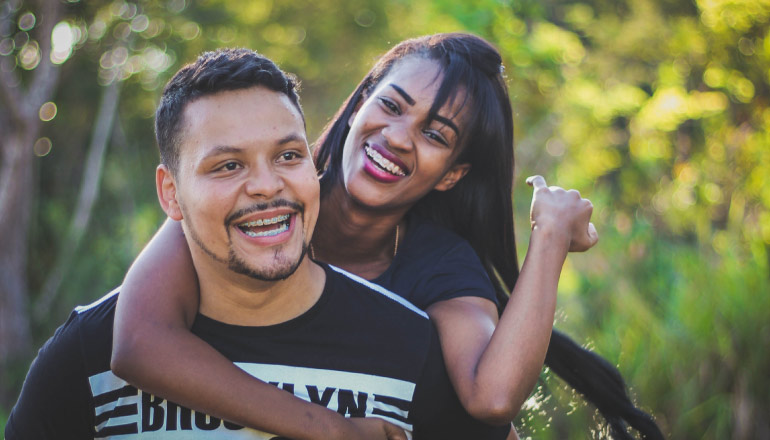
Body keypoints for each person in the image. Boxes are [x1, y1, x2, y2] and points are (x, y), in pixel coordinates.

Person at [112, 34, 664, 439]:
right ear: (358, 108)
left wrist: (550, 237)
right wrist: (333, 432)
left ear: (451, 173)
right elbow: (137, 344)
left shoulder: (437, 264)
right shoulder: (262, 198)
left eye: (435, 134)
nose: (399, 138)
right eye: (391, 107)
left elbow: (492, 398)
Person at [5, 48, 513, 439]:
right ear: (171, 194)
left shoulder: (413, 348)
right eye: (228, 165)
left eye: (288, 156)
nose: (266, 185)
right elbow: (138, 345)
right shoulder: (87, 355)